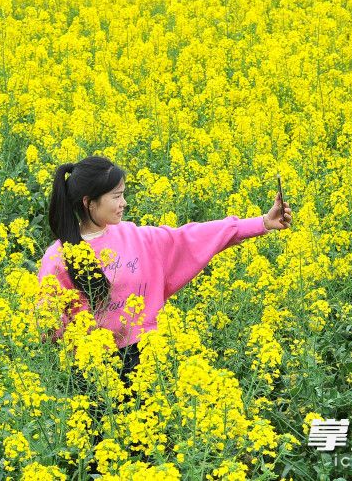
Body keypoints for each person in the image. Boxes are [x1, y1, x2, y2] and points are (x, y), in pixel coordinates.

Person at [35, 156, 292, 469]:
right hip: (91, 371)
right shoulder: (58, 257)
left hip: (144, 358)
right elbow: (47, 327)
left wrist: (261, 223)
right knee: (101, 456)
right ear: (89, 202)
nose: (124, 203)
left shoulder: (134, 237)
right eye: (116, 196)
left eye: (123, 194)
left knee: (148, 452)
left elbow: (190, 237)